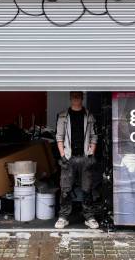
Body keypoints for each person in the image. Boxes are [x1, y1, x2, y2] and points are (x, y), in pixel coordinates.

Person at [54, 91, 99, 229]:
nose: (76, 99)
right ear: (70, 98)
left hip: (85, 157)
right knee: (65, 188)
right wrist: (62, 155)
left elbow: (94, 136)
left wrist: (91, 153)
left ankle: (89, 217)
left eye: (78, 96)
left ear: (82, 98)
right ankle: (63, 217)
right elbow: (59, 137)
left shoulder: (89, 115)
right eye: (73, 96)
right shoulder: (63, 116)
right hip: (69, 157)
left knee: (87, 188)